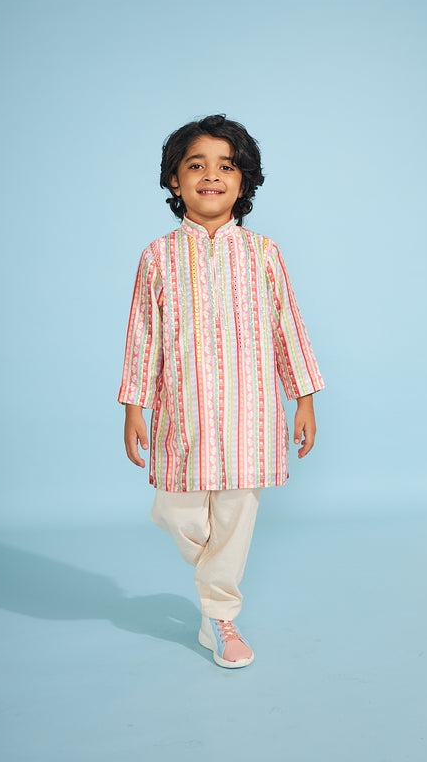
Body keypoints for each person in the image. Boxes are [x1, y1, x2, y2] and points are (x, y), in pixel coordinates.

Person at [118, 114, 325, 668]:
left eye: (226, 166)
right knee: (177, 512)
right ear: (174, 180)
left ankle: (220, 618)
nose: (211, 175)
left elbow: (288, 327)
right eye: (196, 165)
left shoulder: (264, 254)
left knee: (236, 517)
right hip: (182, 414)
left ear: (243, 181)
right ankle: (216, 582)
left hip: (250, 415)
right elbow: (143, 335)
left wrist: (304, 399)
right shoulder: (158, 257)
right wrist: (134, 406)